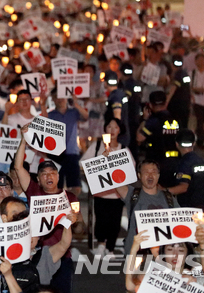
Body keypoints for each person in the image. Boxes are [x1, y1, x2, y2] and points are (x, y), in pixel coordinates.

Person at [13, 125, 77, 293]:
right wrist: (23, 139)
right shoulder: (34, 191)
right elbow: (19, 167)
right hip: (35, 255)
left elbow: (82, 227)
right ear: (39, 180)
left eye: (52, 172)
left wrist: (74, 222)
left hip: (62, 255)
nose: (49, 176)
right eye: (44, 174)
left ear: (58, 176)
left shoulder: (69, 198)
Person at [80, 118, 128, 258]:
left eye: (115, 127)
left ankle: (111, 248)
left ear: (119, 130)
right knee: (101, 220)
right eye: (109, 126)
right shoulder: (96, 147)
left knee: (115, 221)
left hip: (117, 194)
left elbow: (129, 168)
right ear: (105, 130)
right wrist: (100, 160)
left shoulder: (123, 149)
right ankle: (101, 244)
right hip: (100, 193)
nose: (112, 130)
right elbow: (83, 164)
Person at [115, 159, 179, 255]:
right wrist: (108, 157)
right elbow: (114, 179)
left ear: (158, 175)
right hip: (137, 253)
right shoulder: (132, 194)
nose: (150, 175)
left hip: (163, 255)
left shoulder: (168, 198)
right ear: (139, 176)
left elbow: (182, 218)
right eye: (146, 172)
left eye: (154, 172)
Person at [136, 90, 181, 188]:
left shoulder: (153, 121)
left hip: (158, 161)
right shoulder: (176, 118)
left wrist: (144, 119)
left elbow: (139, 138)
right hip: (176, 161)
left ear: (150, 105)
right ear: (165, 102)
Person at [48, 95, 88, 196]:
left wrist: (76, 104)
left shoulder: (73, 112)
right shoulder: (50, 114)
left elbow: (86, 117)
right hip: (56, 153)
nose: (60, 98)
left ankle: (70, 205)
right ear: (53, 98)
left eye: (62, 96)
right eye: (57, 96)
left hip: (72, 152)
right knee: (56, 186)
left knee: (76, 186)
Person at [166, 129, 204, 212]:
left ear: (177, 144)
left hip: (189, 212)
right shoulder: (201, 161)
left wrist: (163, 192)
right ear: (193, 143)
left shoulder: (185, 163)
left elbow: (183, 187)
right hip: (203, 209)